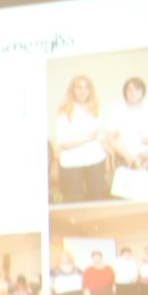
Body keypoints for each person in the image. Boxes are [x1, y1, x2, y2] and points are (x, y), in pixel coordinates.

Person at [53, 74, 107, 202]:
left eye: (86, 88)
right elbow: (63, 143)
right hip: (72, 163)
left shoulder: (97, 109)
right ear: (72, 91)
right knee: (74, 203)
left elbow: (101, 138)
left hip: (96, 161)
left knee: (97, 201)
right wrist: (88, 138)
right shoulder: (64, 111)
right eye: (78, 88)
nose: (82, 91)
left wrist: (108, 159)